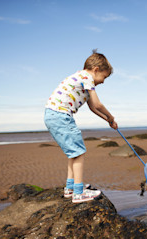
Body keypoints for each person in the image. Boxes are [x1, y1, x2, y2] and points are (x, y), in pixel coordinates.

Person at [44, 50, 118, 203]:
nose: (103, 81)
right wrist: (111, 116)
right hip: (61, 116)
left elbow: (92, 107)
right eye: (104, 77)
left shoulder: (80, 77)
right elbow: (98, 104)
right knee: (79, 152)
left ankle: (70, 188)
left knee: (74, 153)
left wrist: (107, 121)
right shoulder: (87, 77)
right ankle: (78, 193)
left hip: (53, 115)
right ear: (96, 70)